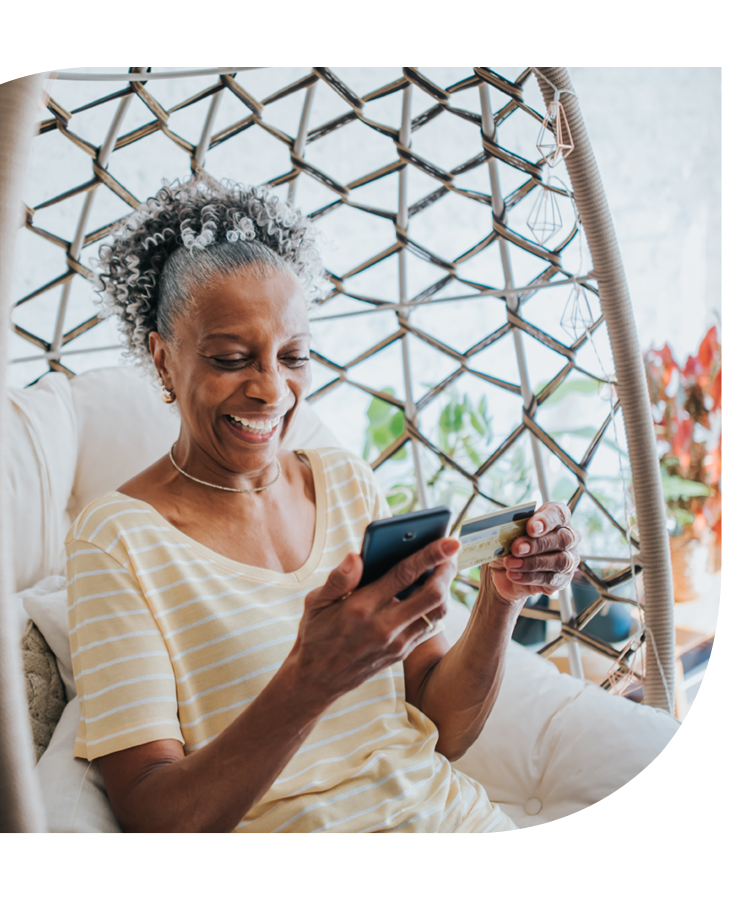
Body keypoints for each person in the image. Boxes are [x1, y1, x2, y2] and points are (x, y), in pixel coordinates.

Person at [65, 175, 581, 834]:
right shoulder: (115, 540)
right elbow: (157, 818)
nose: (271, 390)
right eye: (230, 358)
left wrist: (501, 597)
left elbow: (441, 728)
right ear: (164, 361)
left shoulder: (342, 482)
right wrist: (312, 678)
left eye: (294, 356)